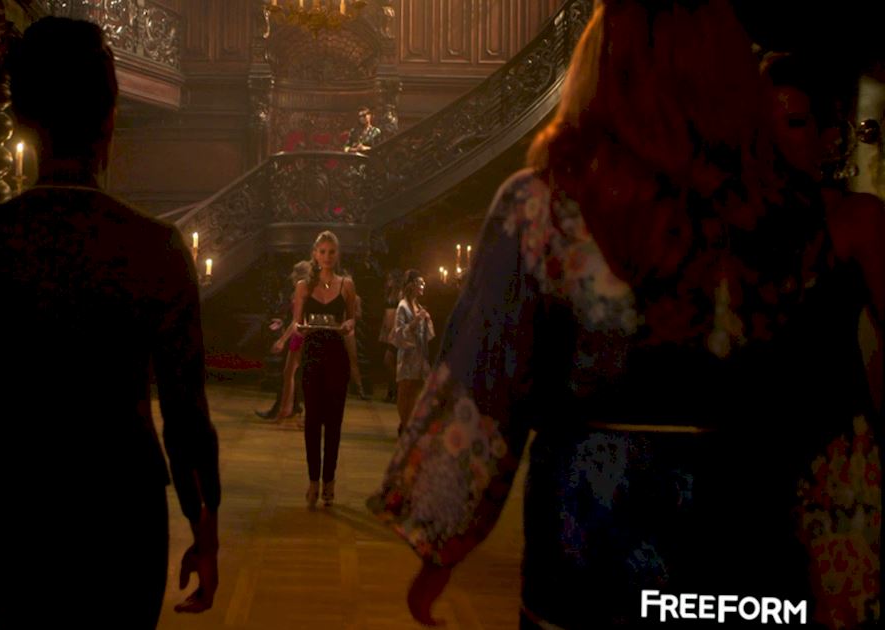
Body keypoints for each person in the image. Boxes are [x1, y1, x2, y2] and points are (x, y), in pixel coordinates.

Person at [368, 0, 880, 627]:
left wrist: (440, 548)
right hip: (750, 552)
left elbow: (485, 384)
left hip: (591, 546)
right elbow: (824, 397)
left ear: (603, 67)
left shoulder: (544, 208)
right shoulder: (784, 210)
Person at [0, 17, 220, 629]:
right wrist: (204, 528)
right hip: (122, 513)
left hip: (12, 509)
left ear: (23, 119)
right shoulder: (156, 248)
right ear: (110, 120)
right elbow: (187, 417)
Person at [762, 52, 884, 628]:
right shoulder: (732, 225)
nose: (773, 143)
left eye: (792, 123)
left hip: (837, 462)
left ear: (828, 135)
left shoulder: (858, 220)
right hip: (755, 458)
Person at [277, 231, 359, 507]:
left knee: (334, 423)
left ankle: (329, 482)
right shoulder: (303, 286)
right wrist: (299, 329)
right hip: (312, 356)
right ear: (315, 254)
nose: (327, 256)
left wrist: (348, 325)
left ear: (337, 255)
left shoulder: (346, 285)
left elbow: (351, 320)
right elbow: (297, 323)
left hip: (336, 357)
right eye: (322, 251)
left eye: (331, 252)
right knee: (312, 422)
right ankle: (313, 482)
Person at [257, 260, 310, 423]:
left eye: (294, 273)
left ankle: (282, 410)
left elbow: (297, 320)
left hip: (298, 336)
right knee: (292, 374)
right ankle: (291, 407)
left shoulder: (303, 291)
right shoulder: (302, 291)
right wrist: (282, 322)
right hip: (299, 335)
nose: (291, 276)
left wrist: (281, 340)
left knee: (288, 375)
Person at [391, 269, 433, 434]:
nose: (423, 286)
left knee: (416, 389)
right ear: (412, 285)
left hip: (419, 355)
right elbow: (399, 331)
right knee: (405, 389)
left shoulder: (418, 305)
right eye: (420, 283)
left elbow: (427, 334)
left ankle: (410, 423)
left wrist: (425, 319)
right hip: (408, 354)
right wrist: (416, 321)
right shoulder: (403, 306)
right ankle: (404, 424)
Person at [378, 269, 403, 403]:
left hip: (395, 331)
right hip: (388, 330)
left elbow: (399, 313)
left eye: (390, 279)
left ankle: (396, 390)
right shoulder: (389, 294)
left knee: (389, 361)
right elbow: (386, 312)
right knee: (389, 362)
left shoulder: (400, 294)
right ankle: (391, 391)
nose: (388, 282)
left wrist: (394, 329)